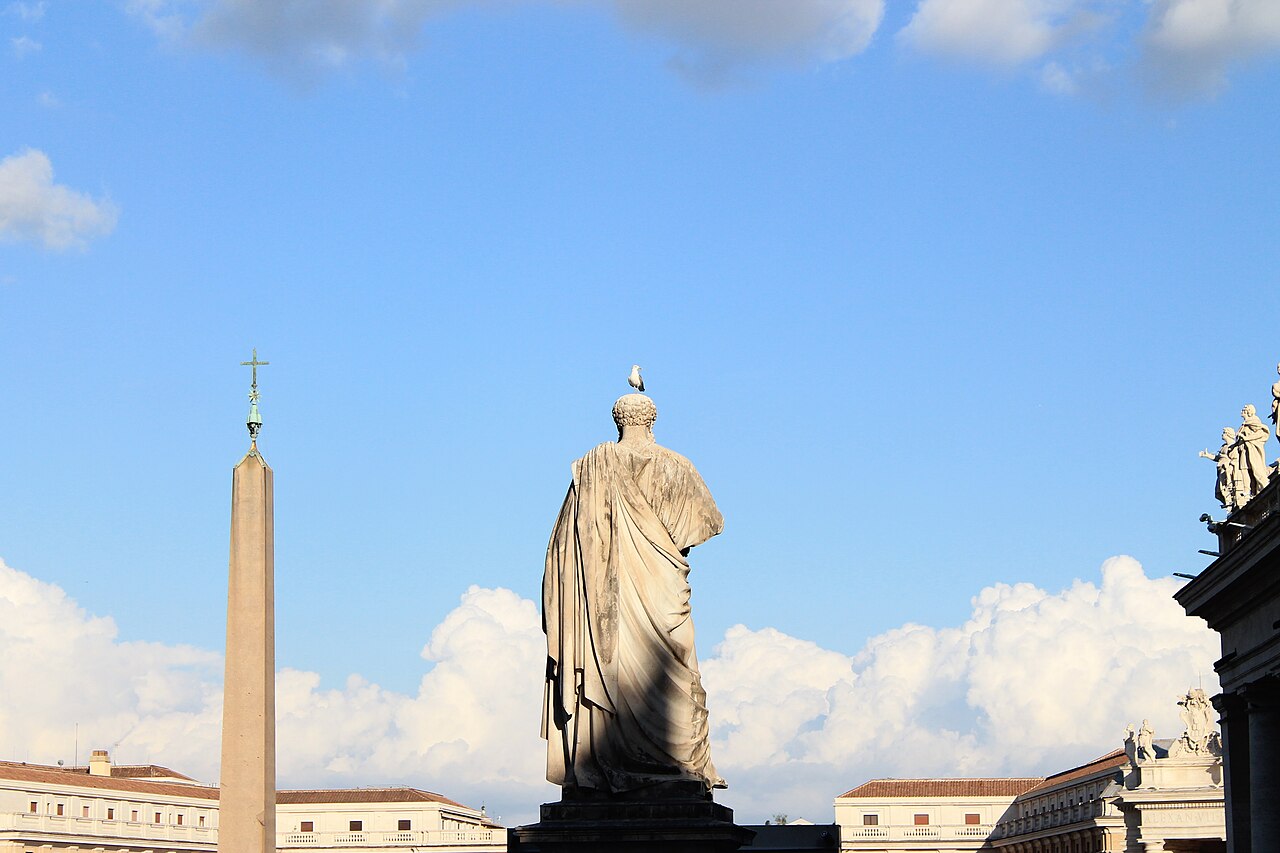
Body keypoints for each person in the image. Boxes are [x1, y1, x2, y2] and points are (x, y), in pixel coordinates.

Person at [542, 392, 725, 794]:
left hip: (603, 600)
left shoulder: (590, 473)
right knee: (676, 668)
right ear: (653, 421)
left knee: (615, 673)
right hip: (660, 590)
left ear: (617, 422)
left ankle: (615, 760)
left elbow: (561, 551)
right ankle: (674, 765)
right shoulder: (677, 466)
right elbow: (709, 521)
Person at [1234, 404, 1271, 502]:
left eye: (1244, 409)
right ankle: (1247, 490)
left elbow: (1261, 433)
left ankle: (1263, 485)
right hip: (1243, 451)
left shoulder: (1254, 421)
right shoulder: (1244, 424)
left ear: (1248, 411)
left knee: (1256, 469)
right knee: (1244, 470)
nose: (1242, 411)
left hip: (1252, 450)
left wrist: (1247, 438)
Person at [1200, 427, 1241, 511]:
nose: (1222, 434)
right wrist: (1207, 455)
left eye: (1224, 433)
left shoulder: (1232, 446)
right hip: (1221, 470)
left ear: (1228, 434)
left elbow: (1235, 460)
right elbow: (1218, 458)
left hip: (1228, 470)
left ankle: (1230, 505)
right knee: (1220, 490)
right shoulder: (1224, 447)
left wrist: (1229, 466)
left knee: (1227, 488)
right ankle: (1228, 504)